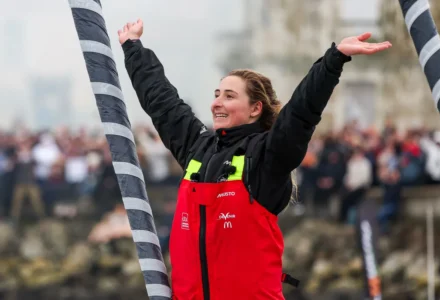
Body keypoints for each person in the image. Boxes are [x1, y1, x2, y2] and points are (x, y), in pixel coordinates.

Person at [118, 18, 391, 300]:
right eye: (216, 95)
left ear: (255, 108)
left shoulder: (267, 156)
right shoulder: (197, 147)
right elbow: (163, 103)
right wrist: (133, 48)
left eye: (229, 96)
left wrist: (334, 60)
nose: (216, 103)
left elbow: (300, 112)